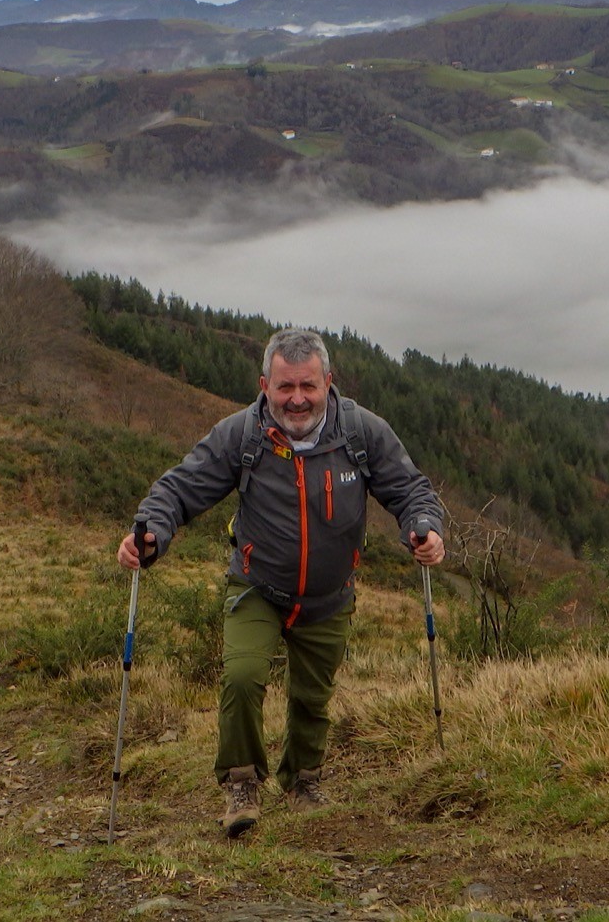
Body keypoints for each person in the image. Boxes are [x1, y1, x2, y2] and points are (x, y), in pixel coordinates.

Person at [118, 327, 445, 837]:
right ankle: (242, 782)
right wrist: (151, 533)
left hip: (330, 595)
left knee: (313, 698)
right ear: (264, 383)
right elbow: (178, 489)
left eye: (308, 387)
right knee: (243, 678)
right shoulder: (241, 435)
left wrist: (425, 528)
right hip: (258, 586)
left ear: (328, 382)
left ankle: (303, 780)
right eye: (285, 387)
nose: (297, 399)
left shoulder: (361, 433)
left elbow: (410, 489)